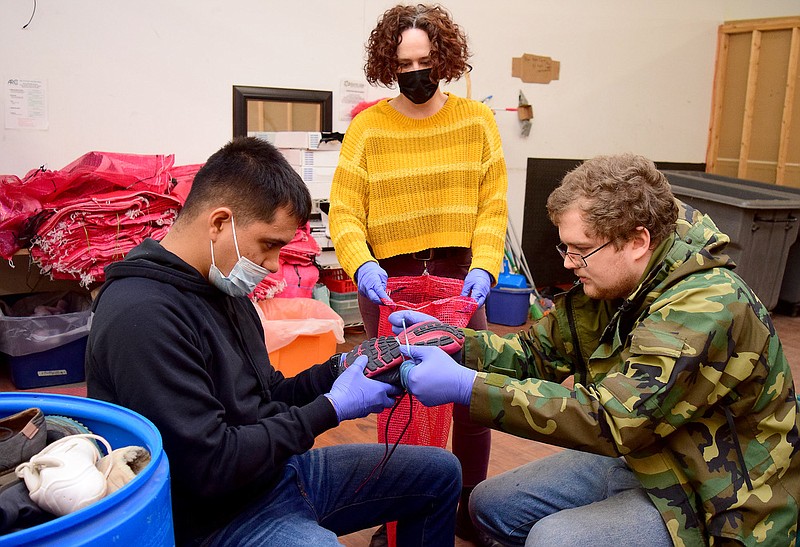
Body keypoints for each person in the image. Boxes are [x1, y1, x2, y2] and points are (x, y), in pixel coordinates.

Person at [390, 153, 800, 546]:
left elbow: (611, 419)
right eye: (566, 248)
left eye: (580, 250)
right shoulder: (615, 282)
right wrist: (453, 342)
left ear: (637, 240)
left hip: (716, 494)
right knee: (489, 506)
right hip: (647, 455)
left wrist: (468, 387)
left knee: (554, 539)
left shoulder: (704, 307)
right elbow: (536, 353)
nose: (569, 263)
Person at [85, 137, 462, 547]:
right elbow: (211, 466)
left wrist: (342, 367)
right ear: (219, 222)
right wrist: (331, 408)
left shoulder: (224, 291)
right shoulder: (143, 316)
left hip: (272, 474)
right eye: (269, 245)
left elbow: (267, 397)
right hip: (213, 517)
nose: (272, 265)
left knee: (440, 472)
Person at [328, 4, 508, 539]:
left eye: (425, 61)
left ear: (444, 59)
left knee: (470, 398)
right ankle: (397, 511)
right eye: (404, 64)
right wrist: (359, 263)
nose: (416, 74)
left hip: (459, 281)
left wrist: (487, 268)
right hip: (388, 284)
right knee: (397, 397)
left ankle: (467, 508)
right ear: (390, 65)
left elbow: (493, 204)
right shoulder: (368, 128)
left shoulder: (477, 121)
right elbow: (344, 209)